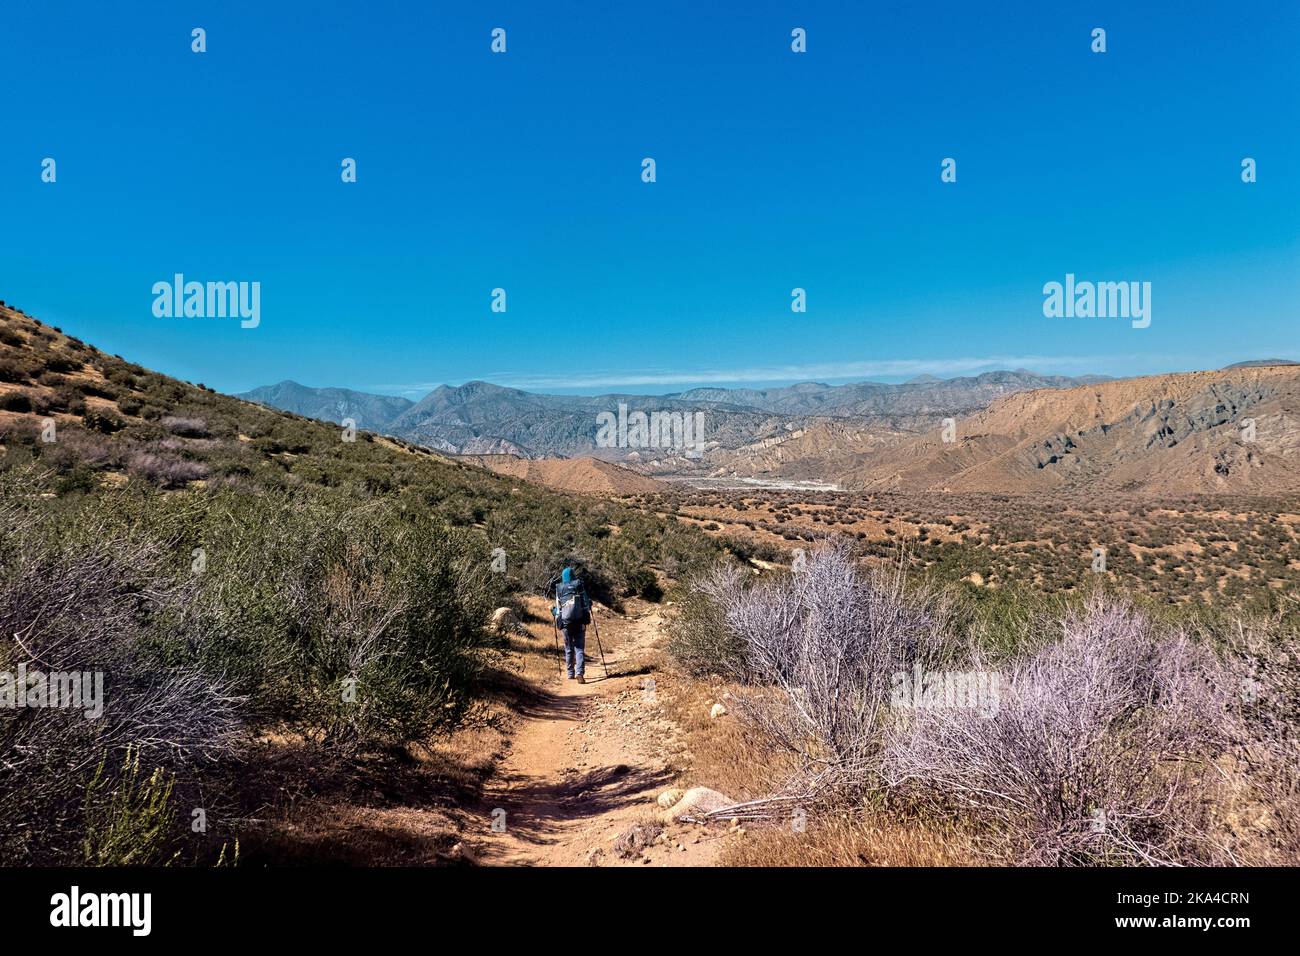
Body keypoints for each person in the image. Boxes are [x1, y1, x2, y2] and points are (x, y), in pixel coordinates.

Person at [553, 566, 592, 683]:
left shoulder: (559, 588)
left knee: (568, 648)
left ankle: (570, 673)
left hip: (565, 624)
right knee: (579, 648)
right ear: (573, 575)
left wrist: (554, 612)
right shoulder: (578, 585)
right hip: (579, 622)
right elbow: (586, 603)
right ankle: (580, 673)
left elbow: (558, 609)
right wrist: (589, 607)